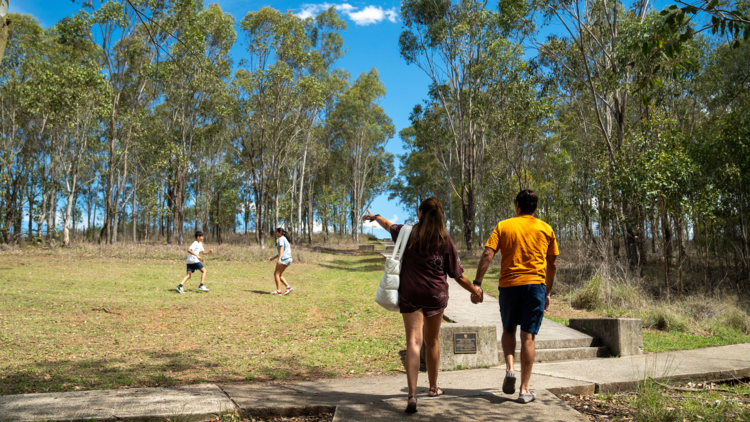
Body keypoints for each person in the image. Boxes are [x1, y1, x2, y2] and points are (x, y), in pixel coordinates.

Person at [363, 198, 482, 414]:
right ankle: (434, 388)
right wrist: (475, 290)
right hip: (435, 295)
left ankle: (411, 395)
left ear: (420, 213)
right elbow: (458, 275)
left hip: (410, 294)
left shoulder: (407, 233)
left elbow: (388, 224)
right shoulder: (444, 239)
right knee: (432, 341)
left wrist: (375, 217)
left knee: (413, 342)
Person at [472, 189, 559, 403]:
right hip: (535, 286)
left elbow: (487, 254)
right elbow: (553, 264)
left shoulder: (503, 226)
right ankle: (524, 390)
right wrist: (547, 291)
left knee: (508, 329)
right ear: (535, 208)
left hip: (509, 285)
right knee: (528, 336)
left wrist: (477, 283)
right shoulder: (546, 228)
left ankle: (510, 367)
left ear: (517, 206)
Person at [268, 227, 294, 296]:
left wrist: (279, 259)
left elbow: (282, 249)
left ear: (280, 232)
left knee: (276, 274)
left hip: (284, 258)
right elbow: (280, 251)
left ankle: (278, 291)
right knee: (278, 274)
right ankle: (288, 287)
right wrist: (273, 258)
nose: (275, 234)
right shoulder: (285, 239)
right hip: (289, 259)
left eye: (276, 232)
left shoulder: (281, 239)